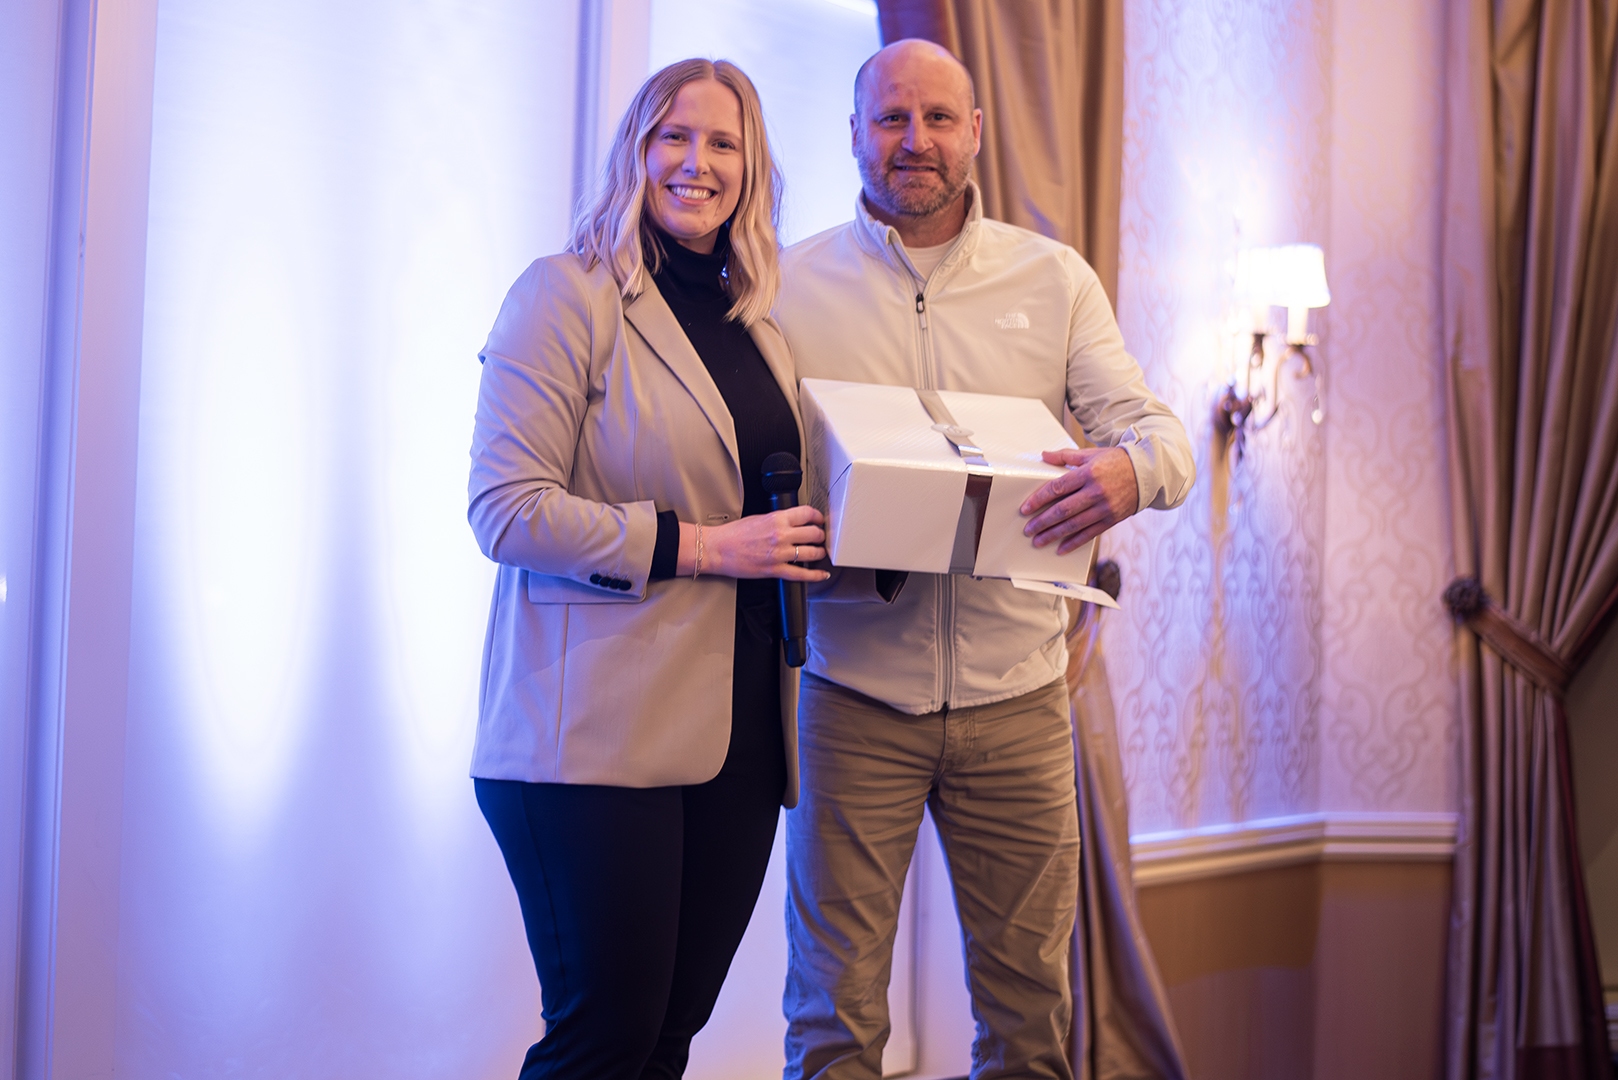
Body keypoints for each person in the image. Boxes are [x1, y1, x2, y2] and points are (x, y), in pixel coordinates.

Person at [772, 39, 1195, 1080]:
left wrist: (1129, 473)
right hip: (848, 699)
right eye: (890, 118)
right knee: (832, 1020)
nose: (913, 140)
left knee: (1028, 1023)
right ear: (855, 133)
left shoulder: (1053, 278)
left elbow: (1159, 437)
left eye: (937, 118)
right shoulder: (784, 285)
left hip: (1019, 704)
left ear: (975, 132)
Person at [465, 58, 829, 1080]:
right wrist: (706, 546)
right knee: (605, 1041)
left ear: (752, 169)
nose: (696, 162)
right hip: (590, 735)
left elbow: (769, 503)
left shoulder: (760, 322)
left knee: (666, 1041)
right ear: (636, 149)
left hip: (741, 732)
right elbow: (506, 509)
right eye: (674, 135)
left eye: (723, 143)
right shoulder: (564, 294)